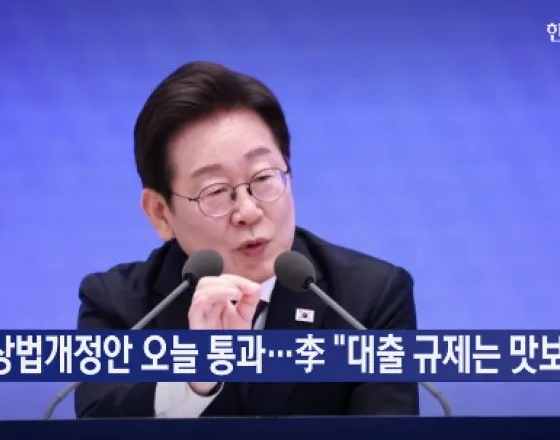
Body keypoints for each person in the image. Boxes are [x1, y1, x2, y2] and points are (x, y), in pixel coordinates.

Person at [74, 61, 420, 418]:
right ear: (161, 213)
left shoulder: (368, 301)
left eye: (264, 177)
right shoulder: (119, 307)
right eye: (215, 191)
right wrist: (194, 377)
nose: (248, 211)